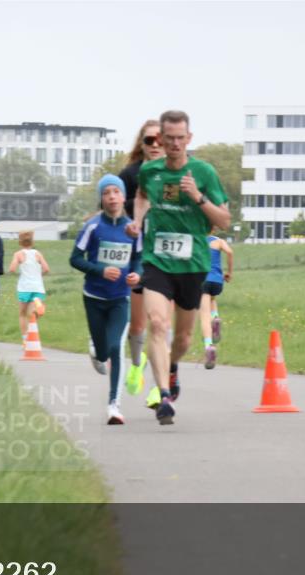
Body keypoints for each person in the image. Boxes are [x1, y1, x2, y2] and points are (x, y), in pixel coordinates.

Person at [130, 110, 230, 425]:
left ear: (189, 138)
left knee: (184, 338)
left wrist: (197, 197)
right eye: (169, 138)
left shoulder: (204, 172)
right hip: (157, 261)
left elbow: (224, 221)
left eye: (180, 138)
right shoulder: (150, 171)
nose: (174, 144)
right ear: (161, 139)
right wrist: (138, 221)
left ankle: (172, 367)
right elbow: (141, 196)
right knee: (158, 324)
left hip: (193, 263)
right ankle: (163, 396)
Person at [70, 175, 143, 425]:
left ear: (123, 196)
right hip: (93, 297)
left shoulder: (132, 229)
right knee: (102, 354)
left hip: (120, 298)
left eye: (116, 192)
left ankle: (114, 405)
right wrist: (100, 270)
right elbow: (75, 258)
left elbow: (138, 259)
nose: (112, 197)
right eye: (106, 193)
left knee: (115, 348)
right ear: (101, 199)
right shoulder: (92, 227)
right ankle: (95, 348)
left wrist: (136, 275)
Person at [119, 119, 165, 397]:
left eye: (161, 139)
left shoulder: (179, 173)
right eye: (150, 140)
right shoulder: (130, 174)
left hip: (167, 257)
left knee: (160, 323)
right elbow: (110, 207)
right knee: (138, 325)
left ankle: (162, 389)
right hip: (138, 255)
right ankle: (137, 363)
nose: (156, 144)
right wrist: (139, 206)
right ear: (142, 143)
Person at [8, 230, 50, 341]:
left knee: (22, 314)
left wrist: (19, 274)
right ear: (32, 241)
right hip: (38, 287)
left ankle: (25, 339)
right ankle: (38, 308)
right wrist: (39, 275)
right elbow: (46, 269)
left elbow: (12, 269)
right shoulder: (38, 254)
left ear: (20, 242)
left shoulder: (18, 254)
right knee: (31, 315)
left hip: (24, 287)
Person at [200, 232, 233, 369]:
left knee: (204, 316)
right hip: (217, 282)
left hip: (203, 280)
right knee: (212, 297)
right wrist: (229, 273)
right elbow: (230, 252)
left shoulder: (198, 241)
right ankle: (215, 317)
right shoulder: (219, 241)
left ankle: (209, 346)